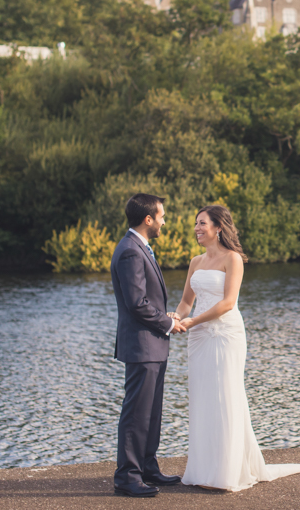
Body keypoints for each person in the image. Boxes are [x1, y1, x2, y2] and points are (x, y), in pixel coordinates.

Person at [172, 205, 300, 491]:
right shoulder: (195, 261)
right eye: (196, 224)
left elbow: (227, 303)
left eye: (202, 223)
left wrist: (193, 321)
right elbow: (186, 301)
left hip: (225, 333)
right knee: (203, 398)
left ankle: (228, 471)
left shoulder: (233, 258)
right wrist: (176, 318)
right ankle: (204, 469)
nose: (197, 228)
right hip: (198, 338)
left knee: (226, 395)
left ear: (218, 228)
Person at [110, 193, 186, 498]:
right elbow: (136, 304)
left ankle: (148, 467)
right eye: (162, 216)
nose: (165, 221)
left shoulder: (139, 247)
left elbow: (147, 302)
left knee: (152, 411)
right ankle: (127, 476)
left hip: (152, 344)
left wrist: (163, 315)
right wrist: (167, 323)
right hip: (142, 347)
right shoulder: (130, 250)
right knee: (136, 413)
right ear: (148, 219)